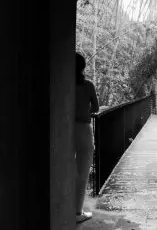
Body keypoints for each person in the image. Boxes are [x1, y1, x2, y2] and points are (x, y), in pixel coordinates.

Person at [74, 53, 99, 223]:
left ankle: (62, 206)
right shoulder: (88, 85)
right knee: (82, 172)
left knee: (65, 168)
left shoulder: (62, 83)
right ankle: (77, 213)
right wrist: (85, 111)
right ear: (83, 67)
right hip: (83, 128)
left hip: (64, 128)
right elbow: (96, 108)